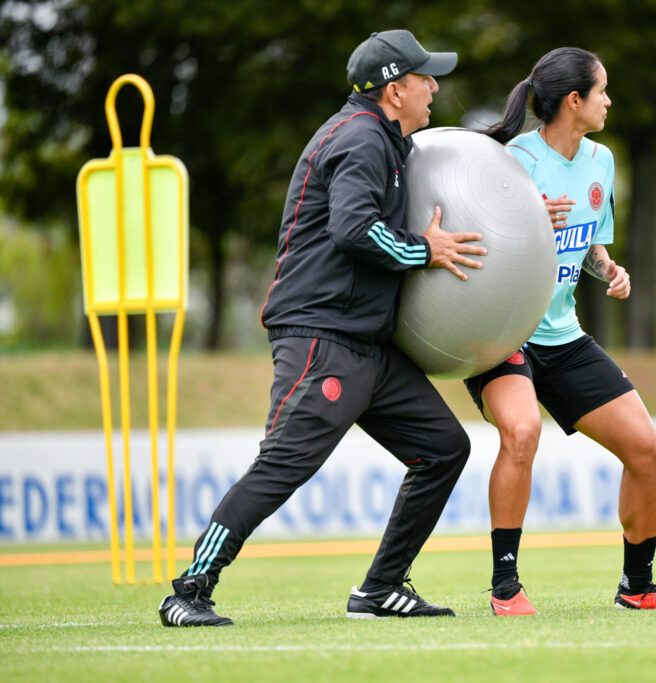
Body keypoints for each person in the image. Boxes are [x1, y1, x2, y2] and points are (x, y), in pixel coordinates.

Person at [159, 29, 486, 627]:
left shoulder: (384, 137)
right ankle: (187, 590)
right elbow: (354, 230)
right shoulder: (361, 139)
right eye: (424, 77)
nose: (434, 86)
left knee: (443, 448)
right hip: (321, 335)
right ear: (394, 91)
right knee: (284, 463)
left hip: (366, 341)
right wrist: (425, 251)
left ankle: (381, 588)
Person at [467, 47, 656, 615]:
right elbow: (471, 243)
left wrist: (608, 269)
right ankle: (505, 588)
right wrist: (520, 222)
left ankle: (638, 587)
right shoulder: (509, 159)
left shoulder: (601, 160)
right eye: (602, 91)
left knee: (648, 452)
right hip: (506, 335)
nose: (609, 101)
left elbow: (588, 240)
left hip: (563, 336)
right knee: (523, 433)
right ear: (574, 101)